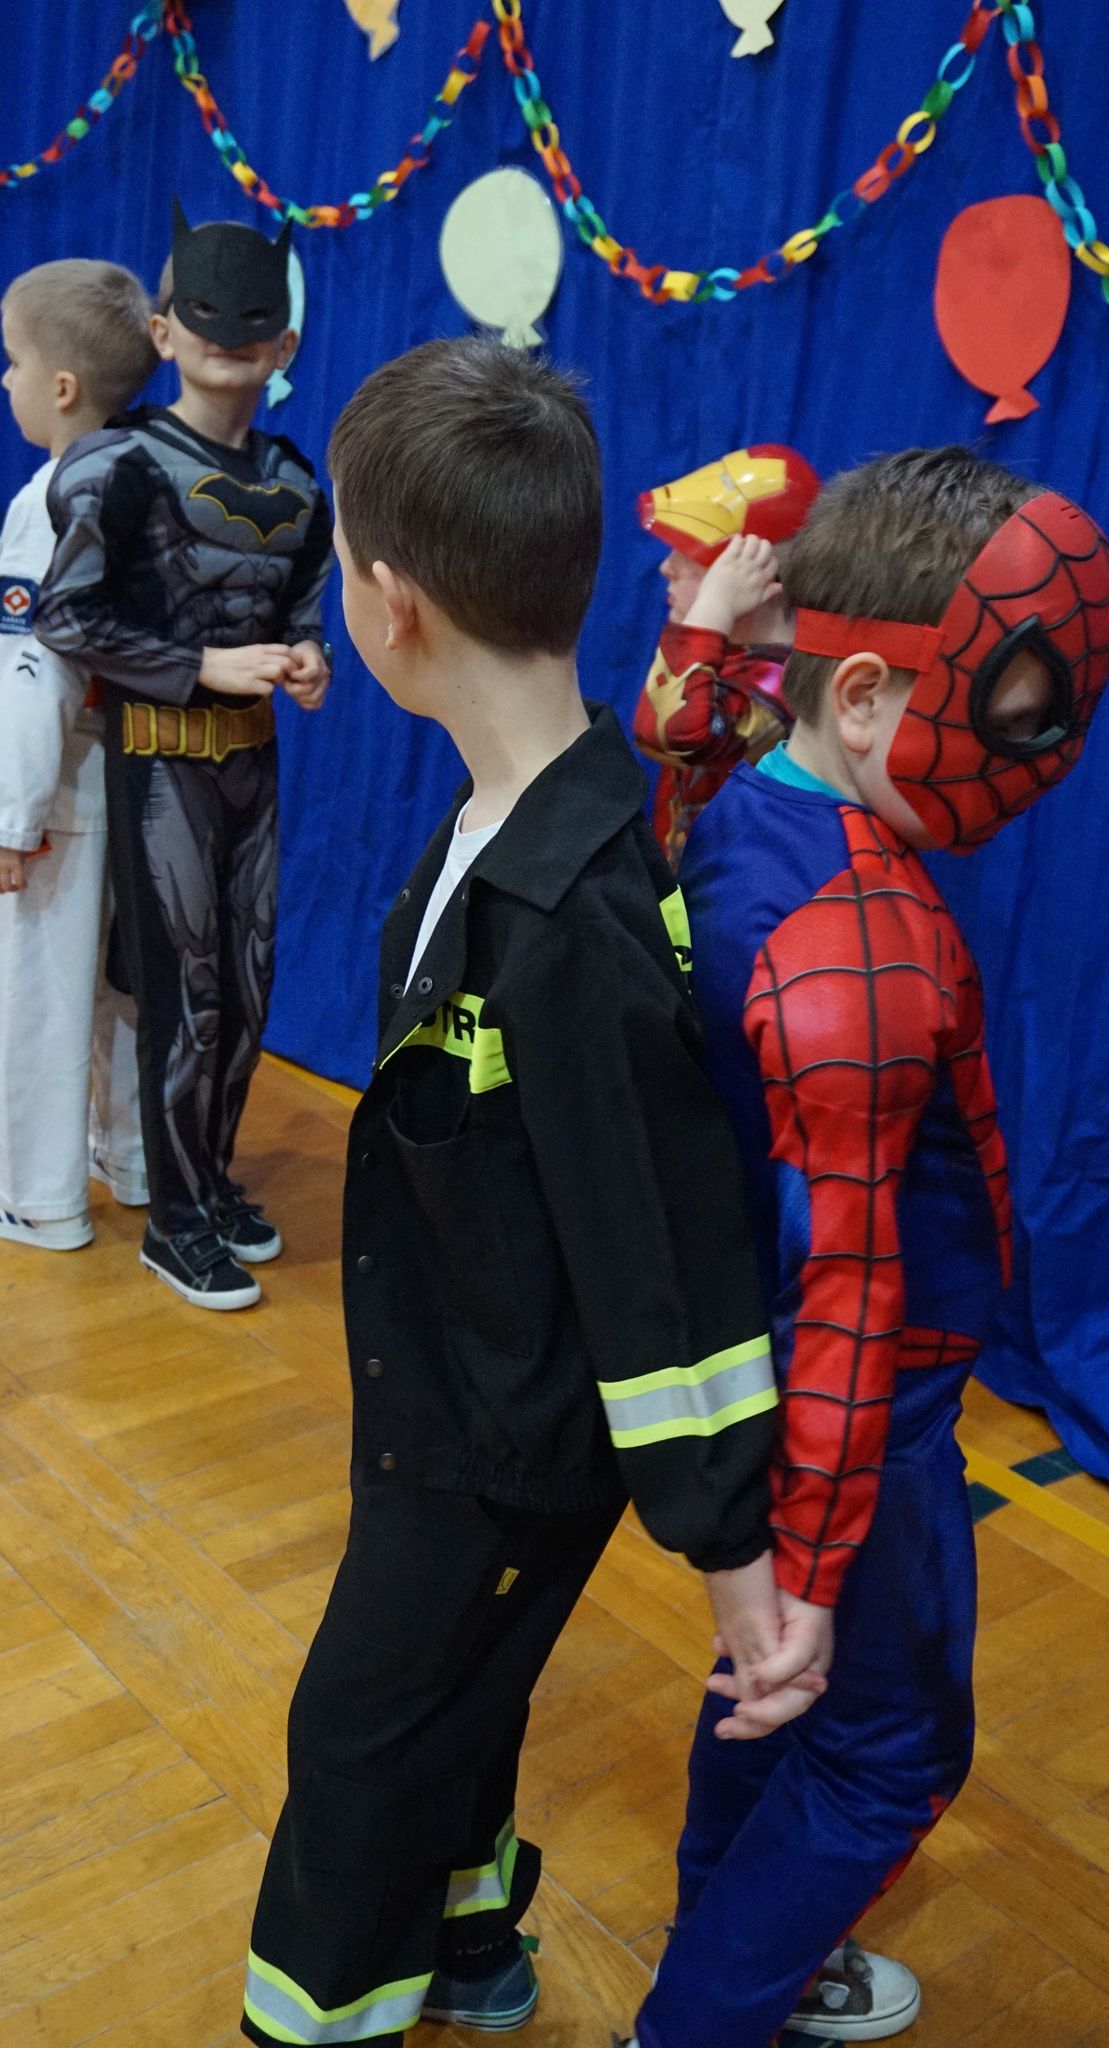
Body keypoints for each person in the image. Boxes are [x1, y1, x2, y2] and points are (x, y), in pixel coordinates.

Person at [239, 337, 810, 2048]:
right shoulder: (502, 819)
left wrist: (729, 1548)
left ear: (391, 606)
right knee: (463, 1695)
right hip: (447, 1389)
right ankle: (473, 1942)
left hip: (499, 1449)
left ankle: (315, 2015)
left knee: (357, 1736)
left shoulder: (576, 915)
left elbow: (660, 1250)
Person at [618, 448, 1109, 2048]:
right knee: (890, 1750)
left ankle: (730, 1947)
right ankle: (699, 2018)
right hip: (860, 1412)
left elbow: (679, 727)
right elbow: (848, 1293)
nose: (1035, 761)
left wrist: (706, 625)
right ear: (856, 696)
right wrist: (807, 1567)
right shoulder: (859, 944)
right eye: (1007, 717)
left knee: (774, 1713)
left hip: (756, 1366)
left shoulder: (736, 798)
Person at [35, 201, 333, 1310]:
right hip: (159, 761)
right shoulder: (117, 466)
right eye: (206, 317)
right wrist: (200, 665)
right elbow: (66, 616)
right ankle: (172, 1218)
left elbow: (302, 598)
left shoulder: (296, 479)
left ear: (284, 343)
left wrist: (309, 654)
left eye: (253, 322)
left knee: (246, 987)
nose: (229, 339)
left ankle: (206, 1183)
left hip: (252, 765)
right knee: (186, 988)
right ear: (163, 332)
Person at [0, 259, 154, 1251]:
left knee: (43, 994)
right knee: (125, 986)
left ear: (61, 387)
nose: (4, 380)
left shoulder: (47, 501)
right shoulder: (149, 481)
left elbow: (33, 675)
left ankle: (40, 1197)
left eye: (12, 361)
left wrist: (10, 818)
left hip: (58, 788)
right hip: (141, 781)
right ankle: (132, 1157)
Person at [633, 444, 819, 867]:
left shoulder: (782, 684)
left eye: (692, 557)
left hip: (736, 895)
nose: (666, 567)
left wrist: (710, 609)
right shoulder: (727, 653)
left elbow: (669, 732)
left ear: (757, 576)